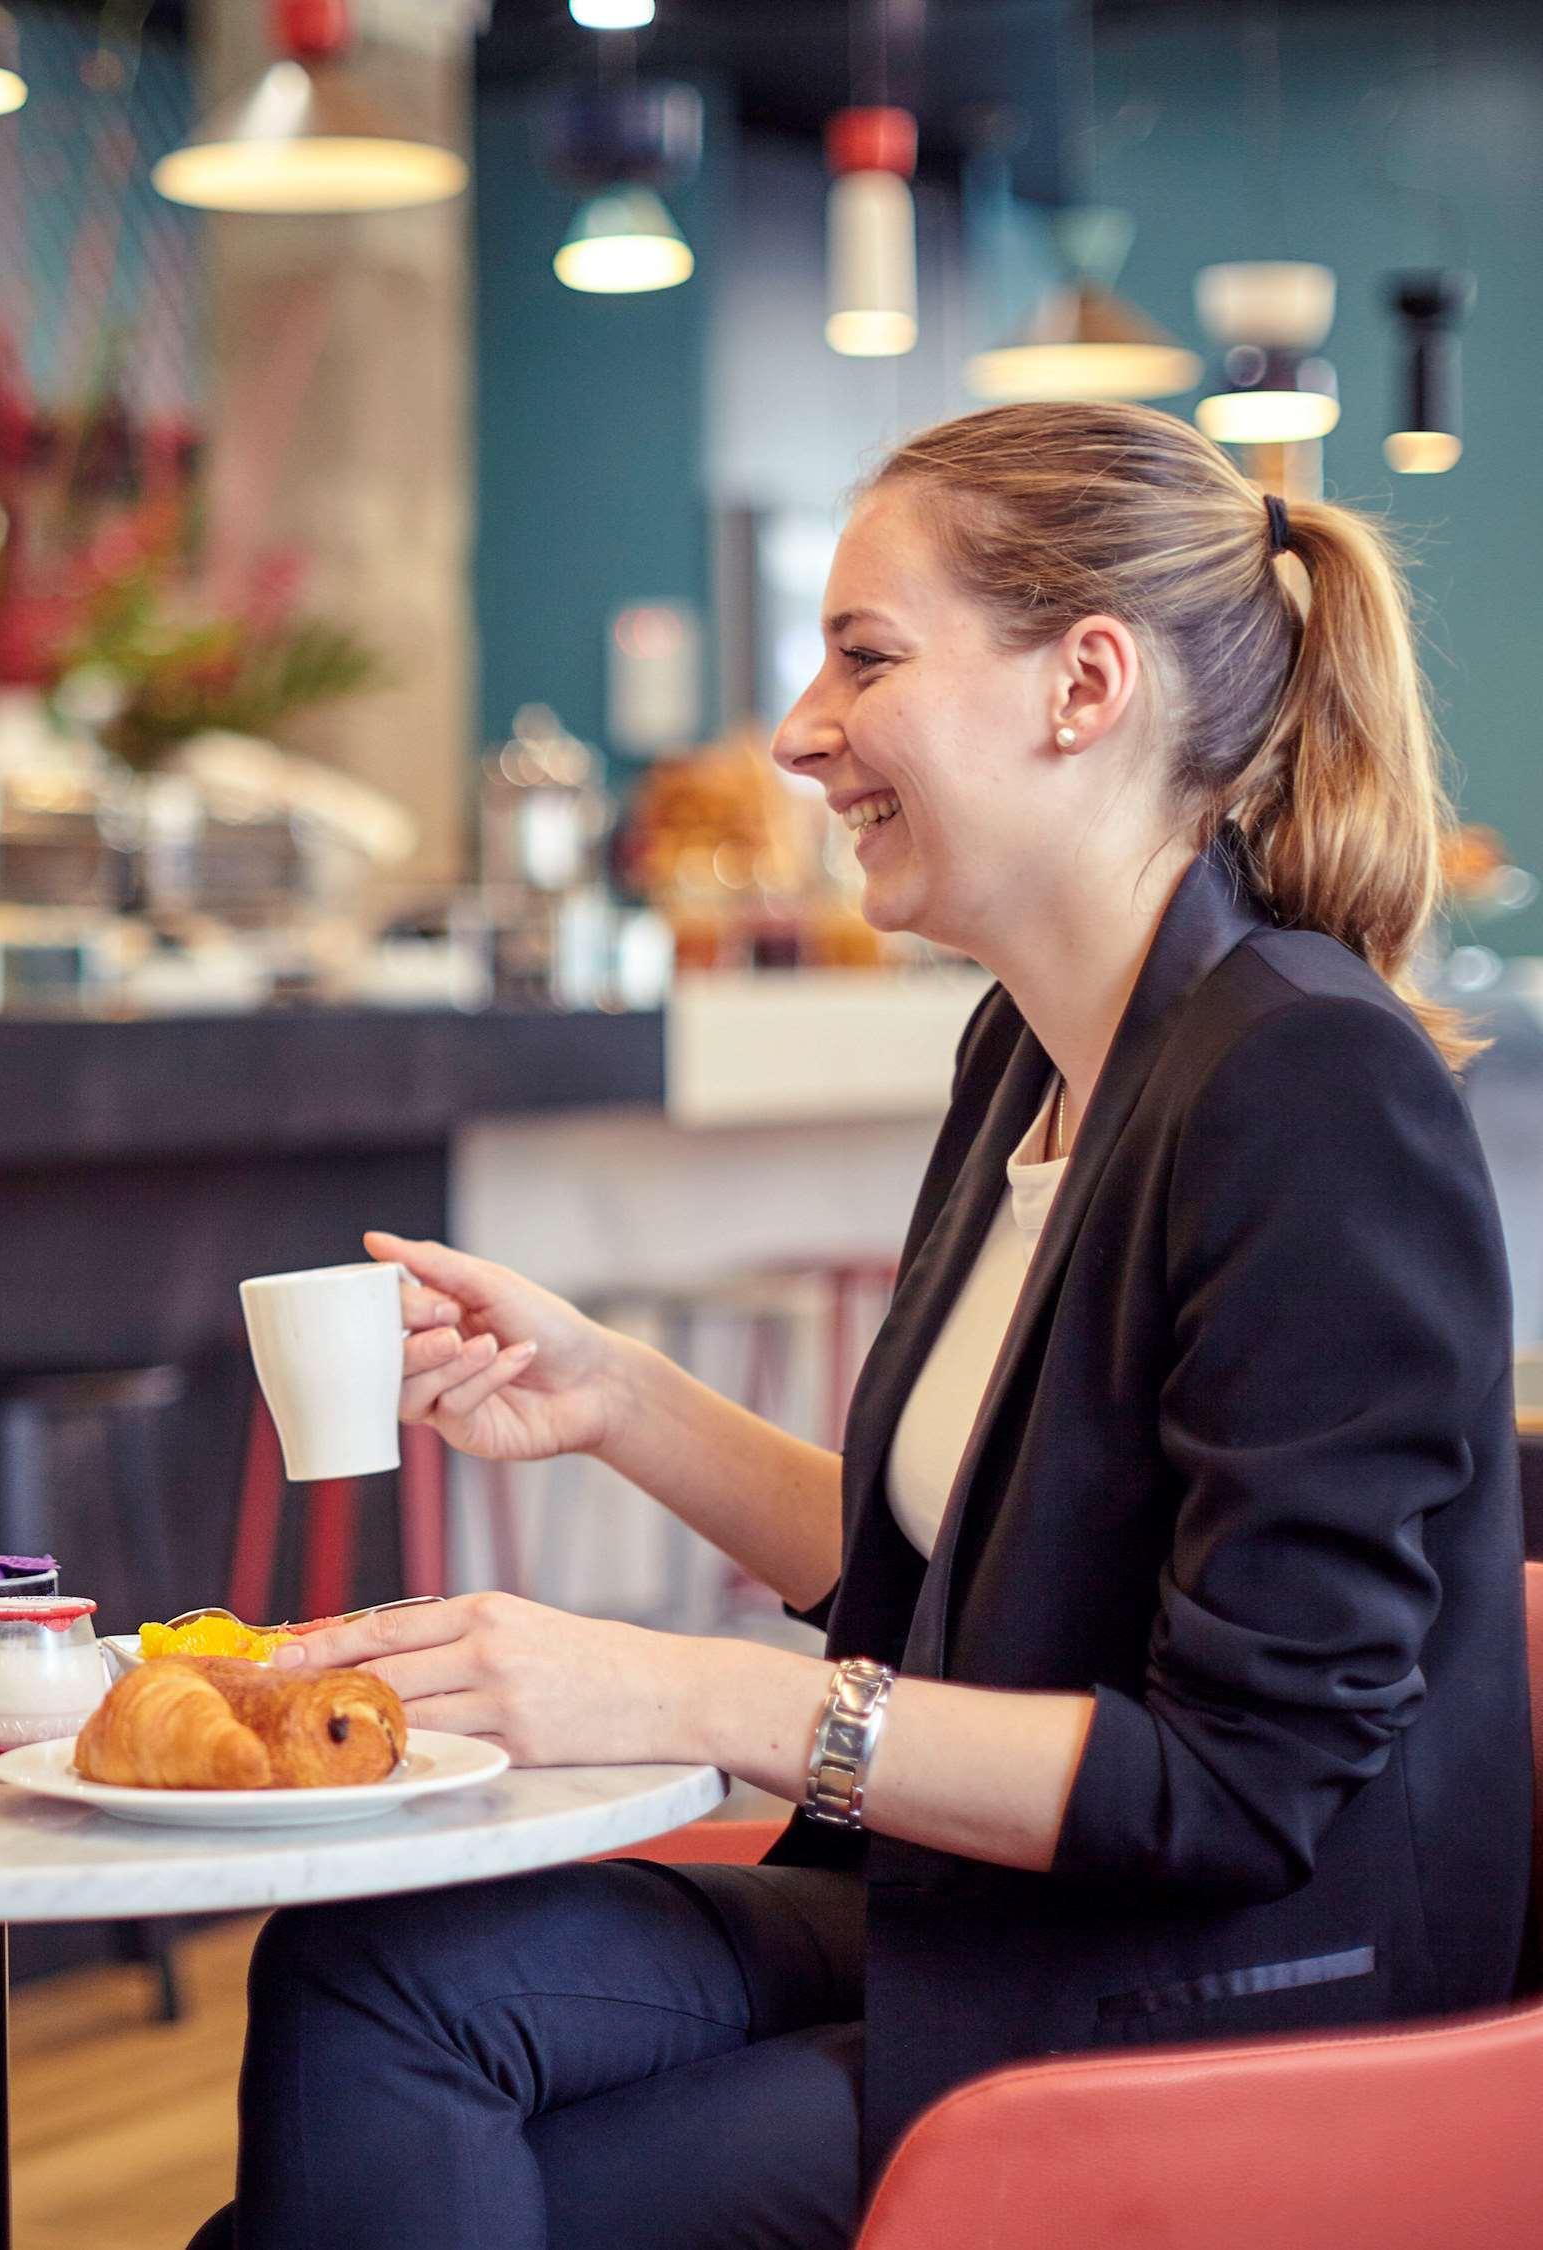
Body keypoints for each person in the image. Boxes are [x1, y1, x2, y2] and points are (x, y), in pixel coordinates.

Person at [211, 402, 1533, 2249]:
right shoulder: (1034, 1053)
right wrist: (614, 1393)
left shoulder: (1310, 1085)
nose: (795, 734)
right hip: (998, 1917)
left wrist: (668, 1687)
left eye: (865, 658)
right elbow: (955, 1573)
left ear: (1085, 685)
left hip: (1234, 2001)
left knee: (435, 2196)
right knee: (367, 1978)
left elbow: (1240, 1786)